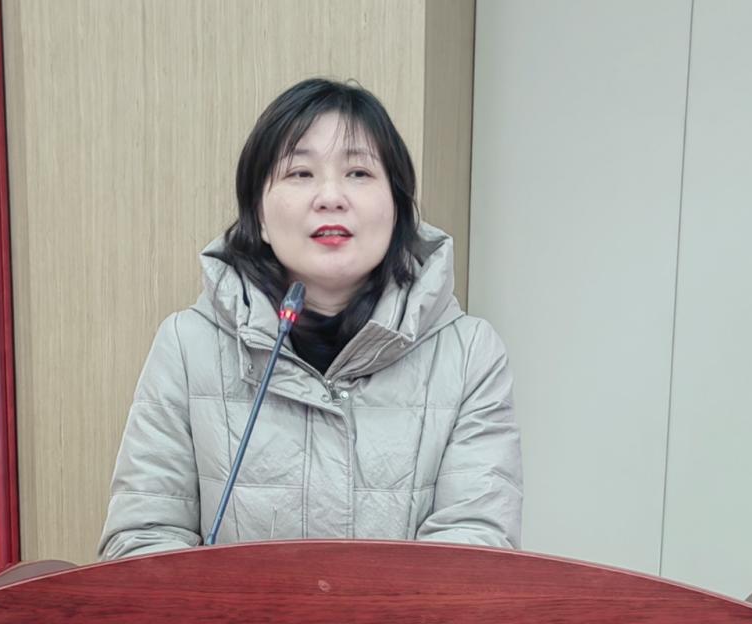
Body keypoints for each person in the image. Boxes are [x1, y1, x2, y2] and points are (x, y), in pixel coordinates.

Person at [98, 78, 522, 560]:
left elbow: (476, 552)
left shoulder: (468, 355)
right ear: (258, 215)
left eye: (358, 172)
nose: (330, 196)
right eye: (300, 173)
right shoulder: (187, 346)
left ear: (398, 208)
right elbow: (142, 541)